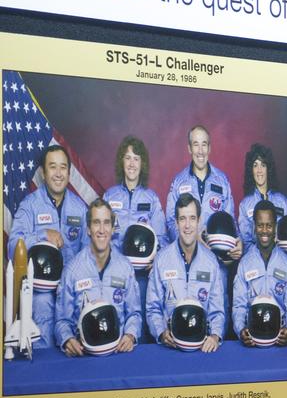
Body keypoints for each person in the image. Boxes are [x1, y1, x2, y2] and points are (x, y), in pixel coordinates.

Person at [7, 144, 88, 349]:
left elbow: (89, 254)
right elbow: (13, 246)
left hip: (71, 293)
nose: (58, 173)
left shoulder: (79, 209)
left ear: (70, 174)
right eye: (53, 167)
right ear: (43, 173)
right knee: (42, 306)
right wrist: (43, 235)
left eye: (63, 167)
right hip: (40, 294)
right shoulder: (30, 205)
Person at [54, 199, 142, 356]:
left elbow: (134, 314)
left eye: (106, 223)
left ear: (113, 228)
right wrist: (67, 339)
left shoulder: (125, 268)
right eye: (96, 223)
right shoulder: (72, 271)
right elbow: (62, 321)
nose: (102, 230)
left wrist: (130, 335)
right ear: (88, 229)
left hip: (118, 353)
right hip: (84, 357)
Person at [146, 193, 225, 352]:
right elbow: (152, 307)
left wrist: (215, 336)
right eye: (182, 219)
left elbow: (217, 311)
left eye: (192, 218)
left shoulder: (211, 262)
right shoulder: (162, 260)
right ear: (176, 222)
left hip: (203, 349)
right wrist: (161, 333)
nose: (187, 225)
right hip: (170, 349)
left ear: (199, 221)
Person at [232, 200, 287, 346]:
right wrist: (240, 330)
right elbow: (239, 305)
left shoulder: (286, 263)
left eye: (269, 225)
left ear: (275, 227)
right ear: (254, 227)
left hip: (278, 339)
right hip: (252, 338)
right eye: (260, 225)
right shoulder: (244, 264)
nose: (264, 230)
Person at [164, 125, 239, 259]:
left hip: (217, 259)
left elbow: (230, 220)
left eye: (204, 145)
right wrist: (190, 239)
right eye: (195, 145)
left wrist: (238, 242)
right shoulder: (178, 182)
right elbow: (170, 221)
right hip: (186, 257)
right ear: (189, 148)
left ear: (209, 148)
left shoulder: (222, 181)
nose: (200, 151)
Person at [236, 142, 287, 256]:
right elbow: (245, 242)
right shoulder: (245, 205)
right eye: (255, 165)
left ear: (268, 169)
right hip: (255, 262)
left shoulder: (281, 201)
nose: (259, 170)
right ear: (251, 170)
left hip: (282, 260)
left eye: (263, 165)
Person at [104, 136, 166, 252]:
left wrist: (154, 257)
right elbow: (101, 235)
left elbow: (160, 238)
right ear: (121, 161)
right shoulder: (109, 196)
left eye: (136, 159)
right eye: (128, 158)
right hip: (115, 264)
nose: (131, 164)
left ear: (142, 164)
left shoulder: (152, 199)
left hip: (142, 264)